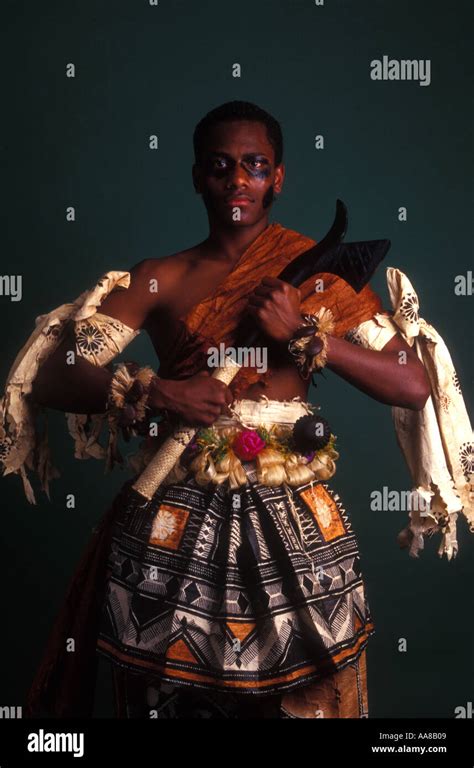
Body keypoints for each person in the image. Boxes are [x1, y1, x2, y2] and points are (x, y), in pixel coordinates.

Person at [1, 101, 469, 719]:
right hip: (174, 513)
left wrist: (308, 333)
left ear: (278, 177)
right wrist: (155, 391)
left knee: (307, 697)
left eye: (254, 165)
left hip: (296, 521)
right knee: (169, 697)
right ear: (198, 176)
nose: (237, 180)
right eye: (221, 166)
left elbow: (412, 383)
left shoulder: (320, 276)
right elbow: (57, 373)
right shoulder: (159, 279)